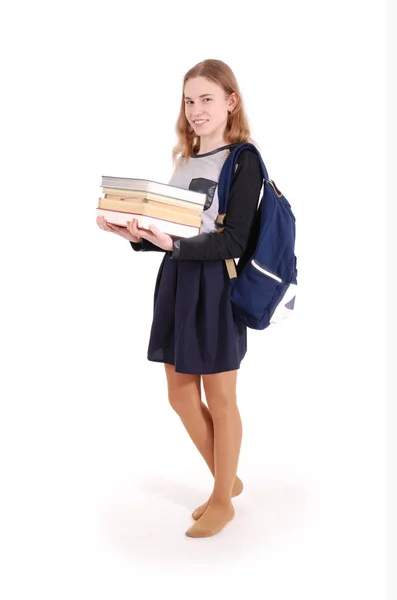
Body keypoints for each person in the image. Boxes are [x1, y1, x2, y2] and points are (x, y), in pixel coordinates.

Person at [96, 59, 264, 538]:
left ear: (231, 101)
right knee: (179, 392)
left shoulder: (243, 159)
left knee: (221, 395)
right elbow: (172, 235)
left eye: (207, 98)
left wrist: (174, 245)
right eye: (189, 100)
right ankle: (226, 479)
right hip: (176, 281)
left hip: (216, 284)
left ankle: (221, 498)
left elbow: (233, 241)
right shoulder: (184, 159)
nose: (196, 109)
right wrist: (131, 232)